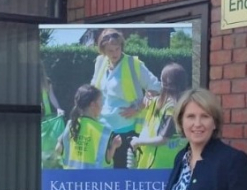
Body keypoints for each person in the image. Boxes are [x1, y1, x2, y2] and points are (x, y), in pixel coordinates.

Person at [91, 28, 161, 168]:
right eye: (110, 50)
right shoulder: (100, 62)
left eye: (117, 49)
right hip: (103, 129)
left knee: (122, 173)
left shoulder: (133, 64)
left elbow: (156, 88)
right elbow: (93, 90)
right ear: (103, 50)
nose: (115, 53)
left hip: (126, 130)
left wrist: (137, 108)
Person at [130, 63, 188, 169]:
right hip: (152, 162)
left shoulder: (172, 108)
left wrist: (138, 142)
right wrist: (147, 98)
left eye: (161, 79)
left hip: (163, 165)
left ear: (166, 83)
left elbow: (163, 139)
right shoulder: (165, 103)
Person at [56, 85, 122, 169]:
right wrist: (114, 146)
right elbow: (106, 159)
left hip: (70, 179)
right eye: (101, 101)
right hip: (93, 180)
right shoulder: (103, 131)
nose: (102, 105)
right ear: (93, 105)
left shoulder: (71, 125)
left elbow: (58, 149)